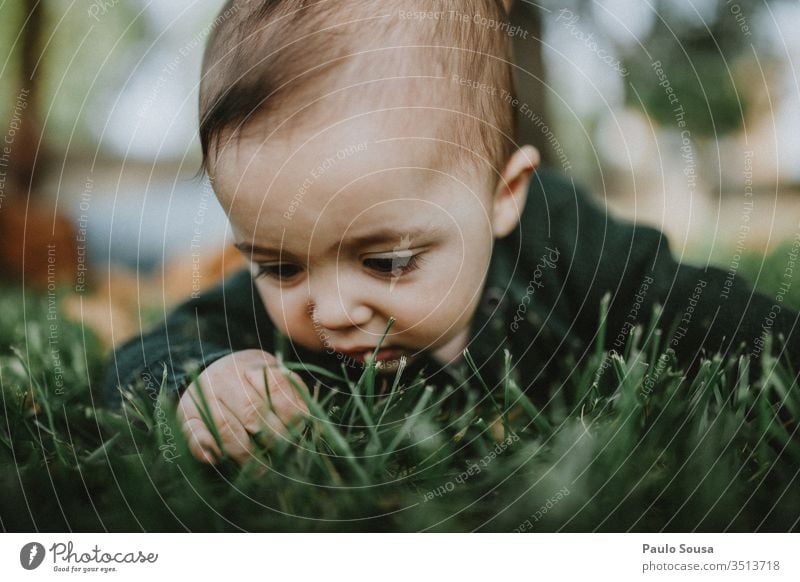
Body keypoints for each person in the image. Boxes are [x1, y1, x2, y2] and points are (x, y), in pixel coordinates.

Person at [104, 0, 800, 465]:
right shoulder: (277, 314)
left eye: (388, 260)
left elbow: (711, 316)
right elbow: (136, 359)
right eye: (279, 267)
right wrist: (203, 378)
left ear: (503, 197)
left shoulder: (564, 246)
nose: (333, 310)